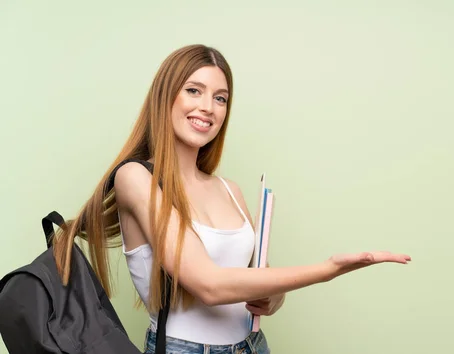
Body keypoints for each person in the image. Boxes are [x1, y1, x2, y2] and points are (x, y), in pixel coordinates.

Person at [51, 44, 412, 354]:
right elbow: (209, 285)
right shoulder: (137, 178)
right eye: (194, 91)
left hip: (252, 344)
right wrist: (328, 270)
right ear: (166, 96)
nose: (208, 107)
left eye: (220, 98)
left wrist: (273, 299)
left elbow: (257, 280)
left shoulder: (230, 190)